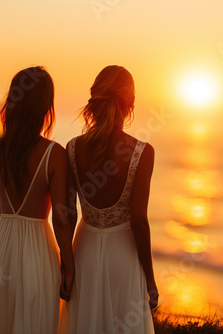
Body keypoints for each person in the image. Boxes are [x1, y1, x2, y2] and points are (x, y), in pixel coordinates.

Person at [0, 66, 75, 334]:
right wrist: (69, 266)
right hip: (38, 253)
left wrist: (8, 245)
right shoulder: (54, 154)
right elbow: (61, 218)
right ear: (45, 107)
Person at [61, 65, 158, 334]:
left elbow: (67, 215)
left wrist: (66, 266)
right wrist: (150, 280)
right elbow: (138, 220)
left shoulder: (72, 149)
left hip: (84, 255)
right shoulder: (142, 152)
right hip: (123, 258)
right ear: (131, 103)